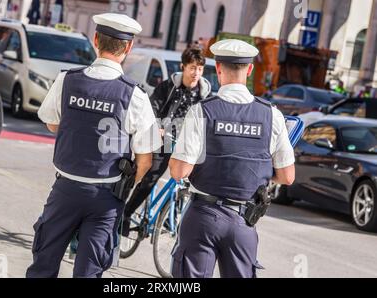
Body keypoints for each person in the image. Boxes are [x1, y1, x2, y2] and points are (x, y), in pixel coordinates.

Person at [26, 13, 162, 278]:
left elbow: (52, 123)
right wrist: (126, 186)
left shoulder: (68, 79)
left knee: (43, 265)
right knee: (89, 272)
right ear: (129, 47)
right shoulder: (134, 94)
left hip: (65, 189)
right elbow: (146, 158)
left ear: (96, 39)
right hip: (106, 197)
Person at [168, 39, 296, 278]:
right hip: (243, 220)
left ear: (217, 69)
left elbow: (179, 171)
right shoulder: (272, 115)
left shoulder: (202, 110)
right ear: (249, 70)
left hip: (203, 217)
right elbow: (287, 176)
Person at [122, 47, 212, 236]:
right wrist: (158, 127)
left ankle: (174, 215)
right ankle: (126, 214)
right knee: (150, 177)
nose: (196, 73)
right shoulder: (169, 87)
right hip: (165, 138)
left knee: (193, 182)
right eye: (193, 68)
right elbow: (152, 108)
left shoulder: (204, 95)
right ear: (184, 67)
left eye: (200, 69)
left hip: (187, 143)